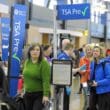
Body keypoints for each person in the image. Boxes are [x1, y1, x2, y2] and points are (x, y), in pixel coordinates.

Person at [23, 43, 51, 110]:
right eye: (33, 50)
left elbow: (46, 80)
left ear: (40, 52)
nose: (35, 51)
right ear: (29, 51)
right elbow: (26, 77)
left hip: (39, 94)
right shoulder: (27, 62)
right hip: (27, 94)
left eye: (37, 50)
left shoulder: (44, 63)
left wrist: (46, 95)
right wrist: (23, 90)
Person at [89, 46, 110, 110]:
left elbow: (109, 79)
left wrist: (98, 83)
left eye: (97, 51)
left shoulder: (105, 63)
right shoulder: (92, 63)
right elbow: (92, 76)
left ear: (100, 53)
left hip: (103, 91)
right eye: (94, 51)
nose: (95, 52)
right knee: (91, 107)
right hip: (93, 89)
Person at [79, 44, 93, 110]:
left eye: (90, 50)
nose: (89, 51)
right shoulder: (82, 59)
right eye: (87, 50)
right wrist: (88, 70)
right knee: (87, 97)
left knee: (91, 98)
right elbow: (81, 71)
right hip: (84, 81)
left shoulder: (94, 59)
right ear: (85, 51)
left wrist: (86, 70)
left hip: (92, 81)